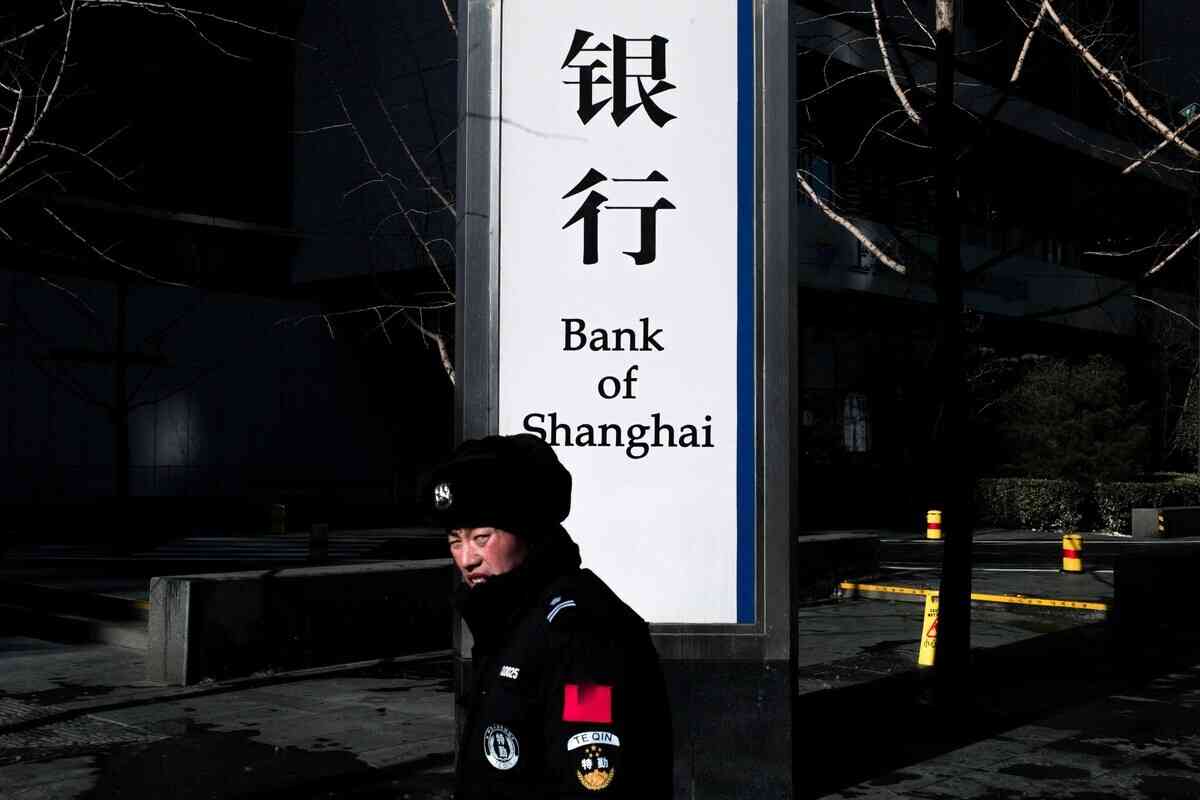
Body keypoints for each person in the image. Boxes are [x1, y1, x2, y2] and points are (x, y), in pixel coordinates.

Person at [425, 433, 673, 798]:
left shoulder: (582, 632)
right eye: (454, 540)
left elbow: (592, 779)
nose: (466, 559)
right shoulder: (508, 617)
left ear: (527, 531)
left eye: (482, 537)